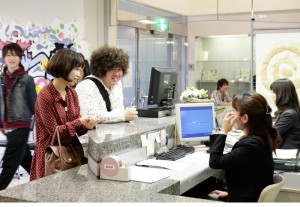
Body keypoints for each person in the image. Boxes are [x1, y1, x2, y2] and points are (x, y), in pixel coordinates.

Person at [30, 49, 97, 181]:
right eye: (76, 69)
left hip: (71, 156)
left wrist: (87, 125)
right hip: (51, 159)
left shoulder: (72, 93)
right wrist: (80, 122)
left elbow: (75, 129)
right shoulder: (45, 96)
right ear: (64, 67)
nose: (79, 74)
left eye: (80, 70)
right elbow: (56, 133)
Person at [209, 92, 281, 202]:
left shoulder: (251, 146)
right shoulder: (262, 138)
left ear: (245, 118)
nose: (230, 114)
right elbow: (252, 179)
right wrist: (230, 193)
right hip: (248, 196)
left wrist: (223, 131)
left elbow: (215, 162)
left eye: (233, 111)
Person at [0, 43, 37, 190]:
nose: (12, 58)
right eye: (8, 55)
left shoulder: (27, 79)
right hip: (8, 127)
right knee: (25, 159)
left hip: (21, 125)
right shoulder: (1, 79)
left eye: (14, 55)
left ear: (20, 57)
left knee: (9, 162)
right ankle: (46, 179)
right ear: (4, 58)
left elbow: (35, 105)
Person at [75, 45, 138, 123]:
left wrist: (122, 114)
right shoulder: (86, 86)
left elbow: (118, 109)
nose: (117, 73)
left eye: (119, 69)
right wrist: (123, 116)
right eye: (112, 69)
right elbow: (91, 116)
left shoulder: (118, 84)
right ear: (102, 69)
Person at [270, 78, 300, 149]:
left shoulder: (289, 114)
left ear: (281, 94)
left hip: (287, 154)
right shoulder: (291, 111)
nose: (271, 95)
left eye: (273, 92)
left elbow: (272, 135)